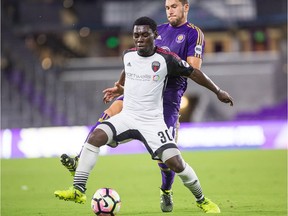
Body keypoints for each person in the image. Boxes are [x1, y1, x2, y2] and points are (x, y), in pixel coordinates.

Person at [59, 0, 233, 213]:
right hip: (136, 101)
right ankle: (78, 180)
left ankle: (171, 192)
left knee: (171, 162)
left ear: (185, 7)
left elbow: (193, 70)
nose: (170, 10)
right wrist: (122, 87)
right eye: (167, 7)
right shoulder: (141, 43)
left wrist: (217, 91)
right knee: (103, 122)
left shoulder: (190, 36)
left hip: (166, 101)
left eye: (174, 6)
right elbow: (130, 65)